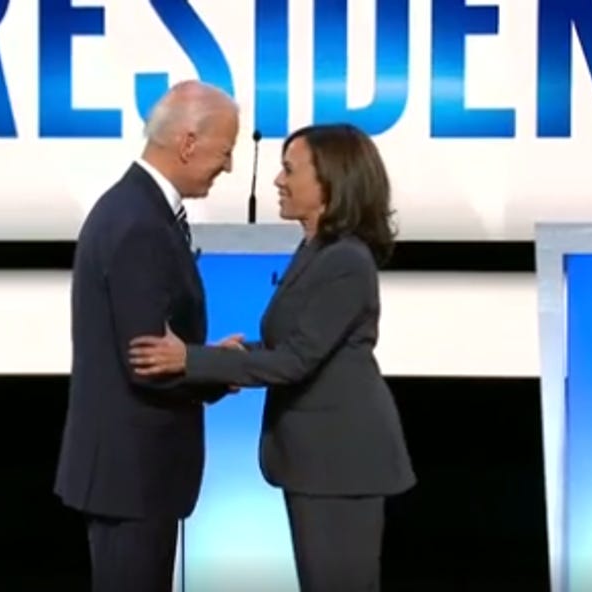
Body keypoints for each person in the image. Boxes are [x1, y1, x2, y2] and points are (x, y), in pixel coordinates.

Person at [127, 123, 417, 591]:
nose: (278, 181)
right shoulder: (317, 250)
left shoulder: (346, 260)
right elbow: (292, 346)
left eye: (290, 170)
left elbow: (296, 360)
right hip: (319, 463)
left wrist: (191, 361)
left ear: (331, 182)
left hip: (341, 464)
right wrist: (221, 355)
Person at [53, 80, 242, 592]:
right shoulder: (139, 222)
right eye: (225, 151)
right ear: (188, 142)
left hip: (133, 475)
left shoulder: (138, 209)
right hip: (132, 476)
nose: (228, 166)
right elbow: (147, 360)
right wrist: (218, 368)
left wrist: (203, 359)